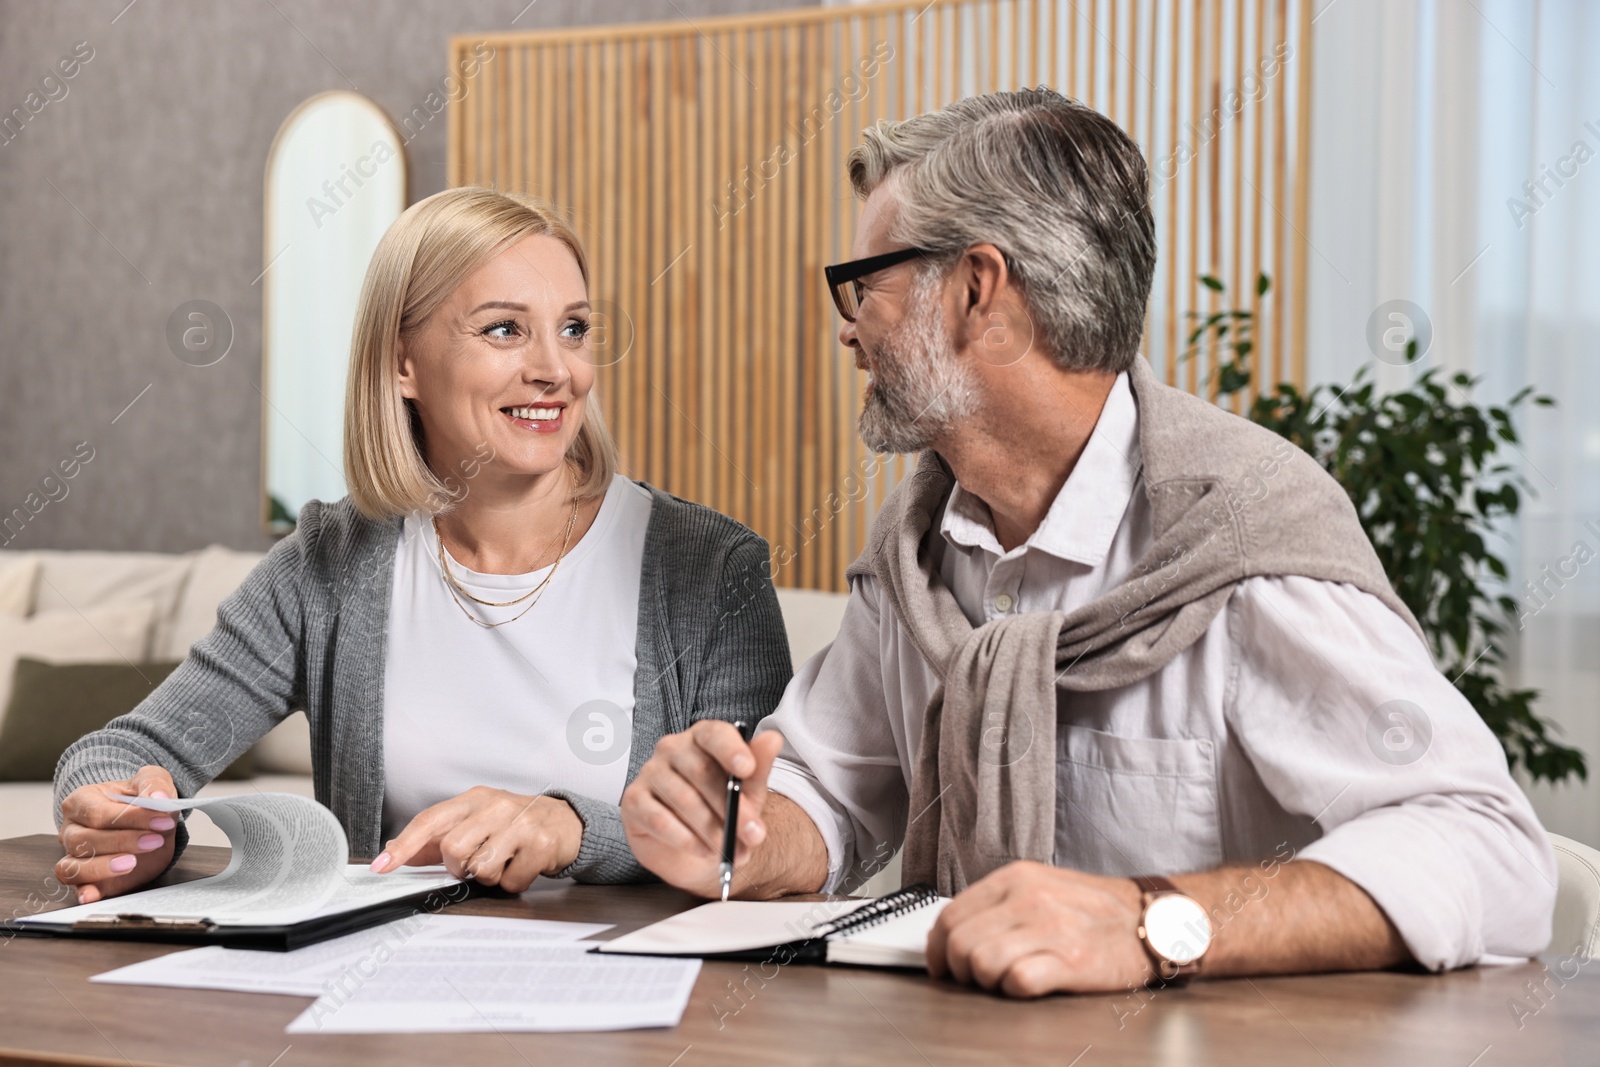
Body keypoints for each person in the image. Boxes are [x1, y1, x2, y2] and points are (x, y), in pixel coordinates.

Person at [620, 89, 1556, 998]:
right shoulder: (918, 546)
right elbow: (833, 787)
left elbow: (1487, 845)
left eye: (869, 285)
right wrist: (735, 829)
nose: (847, 327)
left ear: (977, 290)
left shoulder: (1242, 540)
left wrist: (1150, 920)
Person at [53, 187, 791, 904]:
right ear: (403, 362)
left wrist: (573, 826)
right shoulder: (329, 565)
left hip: (631, 1004)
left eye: (573, 329)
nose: (556, 370)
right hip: (376, 996)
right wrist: (125, 825)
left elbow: (756, 837)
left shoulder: (711, 568)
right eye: (504, 329)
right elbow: (119, 754)